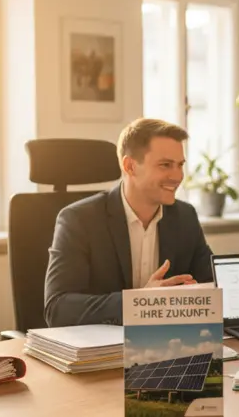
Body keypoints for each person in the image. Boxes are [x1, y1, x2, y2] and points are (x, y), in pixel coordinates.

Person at [44, 118, 213, 327]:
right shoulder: (79, 220)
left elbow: (212, 285)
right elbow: (58, 308)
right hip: (101, 344)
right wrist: (140, 302)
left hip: (166, 340)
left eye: (180, 165)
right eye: (165, 165)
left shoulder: (185, 217)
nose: (178, 176)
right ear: (130, 166)